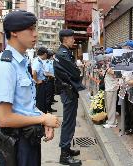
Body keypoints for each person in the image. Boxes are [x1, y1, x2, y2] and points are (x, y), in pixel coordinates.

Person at [0, 10, 60, 166]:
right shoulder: (5, 66)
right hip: (17, 143)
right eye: (30, 29)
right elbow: (4, 118)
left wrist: (44, 119)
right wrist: (43, 118)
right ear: (14, 32)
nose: (35, 34)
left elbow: (25, 106)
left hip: (28, 138)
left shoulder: (20, 63)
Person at [54, 29, 85, 165]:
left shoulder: (64, 53)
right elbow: (75, 72)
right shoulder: (63, 54)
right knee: (68, 122)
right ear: (65, 39)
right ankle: (64, 155)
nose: (73, 40)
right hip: (68, 92)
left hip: (69, 91)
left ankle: (66, 148)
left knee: (70, 122)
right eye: (72, 38)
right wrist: (78, 70)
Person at [32, 47, 48, 113]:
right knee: (40, 102)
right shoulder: (37, 61)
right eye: (46, 54)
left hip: (42, 83)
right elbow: (34, 72)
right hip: (40, 84)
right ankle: (40, 117)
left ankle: (43, 115)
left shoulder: (39, 60)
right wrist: (37, 81)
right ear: (44, 54)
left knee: (43, 101)